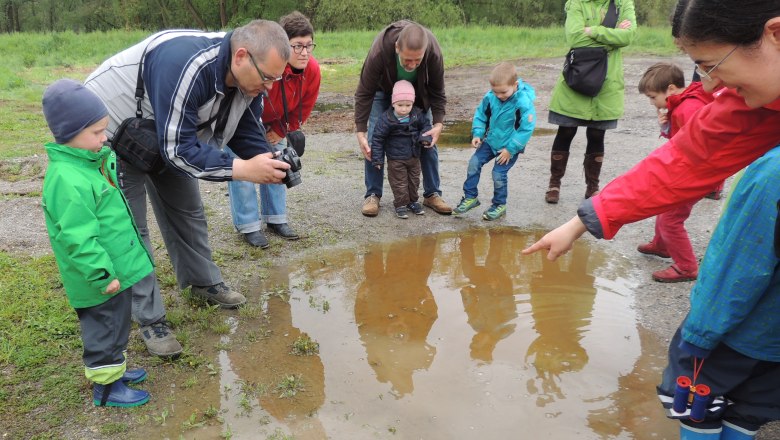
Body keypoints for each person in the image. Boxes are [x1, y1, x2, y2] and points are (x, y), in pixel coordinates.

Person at [523, 1, 780, 437]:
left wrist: (698, 339)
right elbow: (681, 159)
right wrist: (581, 222)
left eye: (711, 65)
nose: (711, 85)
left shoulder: (770, 176)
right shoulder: (749, 100)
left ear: (775, 34)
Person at [84, 20, 292, 357]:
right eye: (267, 77)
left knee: (187, 209)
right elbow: (178, 150)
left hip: (162, 133)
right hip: (109, 133)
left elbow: (242, 130)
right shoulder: (187, 63)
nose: (269, 87)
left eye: (276, 79)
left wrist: (271, 161)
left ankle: (201, 283)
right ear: (241, 56)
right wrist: (242, 169)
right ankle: (150, 319)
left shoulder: (248, 82)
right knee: (129, 230)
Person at [41, 79, 153, 407]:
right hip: (99, 279)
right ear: (68, 133)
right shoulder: (67, 179)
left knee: (118, 323)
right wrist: (103, 275)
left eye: (104, 130)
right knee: (103, 329)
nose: (104, 138)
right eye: (96, 133)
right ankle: (106, 388)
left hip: (114, 270)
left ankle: (115, 369)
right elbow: (77, 238)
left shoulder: (88, 164)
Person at [226, 11, 321, 247]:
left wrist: (280, 130)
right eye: (297, 46)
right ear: (282, 47)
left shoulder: (313, 70)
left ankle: (276, 219)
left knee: (278, 165)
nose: (304, 52)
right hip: (245, 120)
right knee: (245, 169)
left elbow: (306, 105)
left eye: (309, 45)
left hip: (276, 125)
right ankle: (248, 225)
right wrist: (255, 131)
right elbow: (245, 97)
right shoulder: (265, 65)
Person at [355, 20, 452, 217]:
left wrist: (438, 123)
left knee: (428, 139)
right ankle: (373, 194)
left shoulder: (432, 53)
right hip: (384, 91)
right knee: (373, 140)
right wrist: (361, 130)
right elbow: (364, 92)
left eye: (417, 60)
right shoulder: (380, 50)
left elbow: (438, 92)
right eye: (407, 59)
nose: (412, 65)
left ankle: (432, 193)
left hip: (417, 93)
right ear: (397, 47)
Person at [544, 0, 636, 204]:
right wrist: (612, 36)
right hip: (577, 78)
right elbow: (575, 38)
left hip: (607, 83)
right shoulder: (576, 3)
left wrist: (592, 30)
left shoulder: (623, 3)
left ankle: (592, 187)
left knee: (597, 134)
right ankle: (554, 183)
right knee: (565, 131)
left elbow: (628, 36)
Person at [635, 62, 713, 283]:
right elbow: (679, 139)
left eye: (652, 97)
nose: (652, 103)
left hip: (694, 175)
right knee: (665, 206)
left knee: (671, 220)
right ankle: (662, 245)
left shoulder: (687, 108)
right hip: (687, 172)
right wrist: (667, 125)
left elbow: (695, 146)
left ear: (670, 89)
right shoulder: (680, 104)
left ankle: (687, 267)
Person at [452, 62, 536, 221]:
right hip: (491, 141)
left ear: (515, 85)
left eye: (503, 92)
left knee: (498, 173)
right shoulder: (490, 97)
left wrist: (511, 149)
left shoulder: (523, 102)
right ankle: (470, 197)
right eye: (495, 91)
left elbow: (526, 128)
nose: (499, 95)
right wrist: (477, 133)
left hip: (509, 147)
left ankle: (499, 204)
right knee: (473, 164)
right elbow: (481, 114)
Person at [370, 80, 432, 219]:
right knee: (399, 182)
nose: (404, 109)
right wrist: (378, 159)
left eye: (408, 105)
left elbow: (426, 126)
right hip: (396, 158)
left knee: (414, 180)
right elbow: (378, 139)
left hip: (414, 156)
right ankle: (400, 204)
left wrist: (425, 138)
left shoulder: (416, 114)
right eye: (400, 105)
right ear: (393, 103)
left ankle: (413, 201)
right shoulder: (386, 119)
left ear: (413, 103)